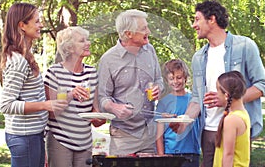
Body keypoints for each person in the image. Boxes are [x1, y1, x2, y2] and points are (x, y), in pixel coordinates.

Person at [169, 0, 265, 167]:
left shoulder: (244, 46)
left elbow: (262, 86)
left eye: (197, 19)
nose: (194, 25)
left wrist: (230, 100)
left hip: (236, 129)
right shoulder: (198, 57)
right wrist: (183, 121)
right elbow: (196, 98)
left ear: (212, 19)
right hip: (208, 131)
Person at [0, 3, 68, 167]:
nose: (41, 25)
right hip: (24, 138)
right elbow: (6, 104)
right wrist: (45, 105)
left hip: (32, 136)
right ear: (22, 25)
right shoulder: (18, 61)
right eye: (37, 21)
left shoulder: (25, 56)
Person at [97, 9, 164, 155]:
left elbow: (159, 79)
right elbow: (102, 97)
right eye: (144, 29)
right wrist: (114, 107)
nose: (149, 31)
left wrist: (158, 87)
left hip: (149, 133)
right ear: (128, 34)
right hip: (123, 136)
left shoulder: (150, 51)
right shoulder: (108, 60)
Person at [44, 26, 106, 167]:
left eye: (87, 39)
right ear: (70, 48)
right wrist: (71, 94)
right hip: (60, 140)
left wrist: (102, 118)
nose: (88, 43)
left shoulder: (91, 73)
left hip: (84, 141)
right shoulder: (54, 73)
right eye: (82, 41)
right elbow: (52, 113)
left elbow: (94, 112)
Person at [155, 59, 200, 167]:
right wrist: (161, 156)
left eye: (179, 77)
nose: (175, 81)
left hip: (191, 153)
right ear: (167, 80)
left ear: (185, 78)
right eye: (171, 78)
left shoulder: (194, 100)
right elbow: (159, 134)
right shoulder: (163, 102)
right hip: (170, 153)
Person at [213, 71, 250, 166]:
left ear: (226, 95)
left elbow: (228, 154)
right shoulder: (243, 113)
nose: (216, 94)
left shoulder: (231, 120)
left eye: (218, 90)